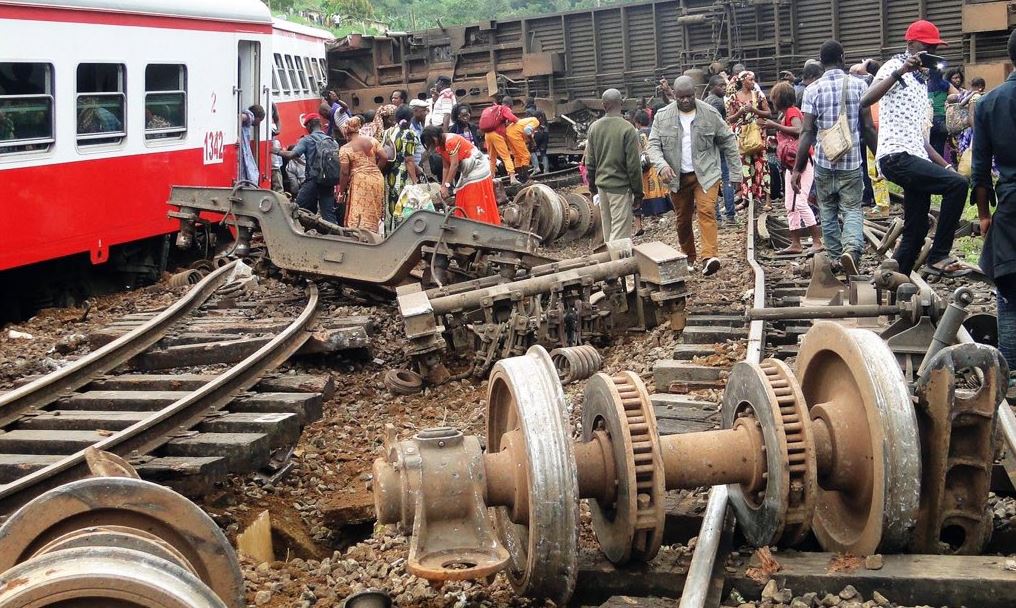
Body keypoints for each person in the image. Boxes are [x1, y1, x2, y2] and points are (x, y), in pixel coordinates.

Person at [861, 20, 971, 277]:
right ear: (911, 45)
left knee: (916, 228)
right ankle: (939, 256)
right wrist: (901, 70)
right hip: (897, 156)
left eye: (934, 48)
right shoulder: (893, 67)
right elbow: (866, 100)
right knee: (957, 186)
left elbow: (921, 138)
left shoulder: (923, 84)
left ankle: (896, 282)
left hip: (914, 154)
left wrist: (945, 165)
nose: (930, 53)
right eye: (927, 47)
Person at [792, 40, 874, 273]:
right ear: (842, 56)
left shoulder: (812, 90)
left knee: (827, 210)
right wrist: (878, 158)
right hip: (851, 161)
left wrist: (798, 169)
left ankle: (837, 257)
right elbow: (868, 127)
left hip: (824, 161)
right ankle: (852, 250)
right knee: (852, 208)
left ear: (821, 61)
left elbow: (807, 131)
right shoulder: (859, 85)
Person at [648, 76, 741, 276]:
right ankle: (688, 256)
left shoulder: (709, 113)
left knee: (707, 211)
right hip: (677, 177)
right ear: (675, 94)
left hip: (705, 174)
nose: (685, 100)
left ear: (695, 94)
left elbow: (728, 142)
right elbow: (653, 145)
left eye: (689, 96)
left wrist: (735, 173)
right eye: (681, 97)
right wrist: (662, 165)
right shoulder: (662, 116)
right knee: (682, 219)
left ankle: (710, 257)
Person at [972, 29, 1016, 373]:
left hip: (1012, 207)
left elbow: (980, 169)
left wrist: (985, 215)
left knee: (1009, 289)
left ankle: (1011, 372)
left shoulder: (989, 103)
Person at [765, 82, 824, 255]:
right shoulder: (784, 115)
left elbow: (799, 130)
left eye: (773, 98)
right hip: (791, 163)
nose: (772, 101)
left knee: (800, 201)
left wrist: (775, 127)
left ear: (779, 99)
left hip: (803, 161)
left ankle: (816, 241)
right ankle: (795, 243)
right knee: (789, 204)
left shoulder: (792, 112)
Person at [586, 89, 644, 244]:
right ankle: (617, 266)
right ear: (621, 103)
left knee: (608, 230)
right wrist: (638, 192)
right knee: (620, 237)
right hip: (620, 188)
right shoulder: (627, 129)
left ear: (604, 106)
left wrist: (592, 187)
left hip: (602, 188)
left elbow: (589, 163)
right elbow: (633, 166)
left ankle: (609, 262)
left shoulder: (594, 128)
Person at [420, 126, 501, 225]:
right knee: (461, 194)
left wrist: (447, 186)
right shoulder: (439, 147)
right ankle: (468, 223)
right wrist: (442, 186)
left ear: (436, 135)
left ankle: (480, 223)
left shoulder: (450, 141)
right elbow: (446, 167)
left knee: (472, 195)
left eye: (430, 141)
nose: (430, 144)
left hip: (477, 167)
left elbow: (454, 165)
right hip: (467, 170)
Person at [278, 116, 339, 225]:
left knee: (296, 208)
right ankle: (336, 238)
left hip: (313, 181)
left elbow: (292, 154)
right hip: (328, 181)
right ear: (320, 125)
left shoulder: (308, 140)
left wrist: (275, 151)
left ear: (309, 126)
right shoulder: (332, 141)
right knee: (328, 214)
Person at [725, 70, 772, 210]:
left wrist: (754, 110)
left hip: (757, 135)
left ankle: (767, 200)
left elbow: (768, 113)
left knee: (763, 166)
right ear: (743, 81)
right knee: (745, 167)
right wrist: (740, 112)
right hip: (743, 137)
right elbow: (729, 119)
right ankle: (747, 199)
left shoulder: (758, 95)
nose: (753, 82)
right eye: (751, 80)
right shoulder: (733, 98)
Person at [337, 117, 387, 232]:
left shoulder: (345, 149)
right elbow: (384, 157)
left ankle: (360, 236)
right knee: (374, 208)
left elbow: (344, 172)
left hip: (360, 181)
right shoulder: (373, 141)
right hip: (377, 179)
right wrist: (374, 169)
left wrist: (341, 193)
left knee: (359, 210)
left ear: (346, 131)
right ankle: (374, 233)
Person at [381, 105, 421, 232]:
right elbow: (408, 160)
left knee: (390, 206)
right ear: (410, 118)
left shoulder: (388, 132)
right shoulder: (409, 134)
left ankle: (389, 234)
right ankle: (402, 234)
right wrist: (415, 182)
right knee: (403, 206)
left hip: (388, 176)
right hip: (402, 176)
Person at [704, 75, 736, 223]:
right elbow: (716, 125)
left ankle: (717, 216)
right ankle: (729, 215)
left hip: (710, 146)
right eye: (720, 85)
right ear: (712, 87)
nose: (724, 87)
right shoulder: (716, 102)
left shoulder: (706, 101)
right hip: (719, 145)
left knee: (712, 180)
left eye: (724, 85)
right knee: (726, 178)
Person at [632, 110, 671, 235]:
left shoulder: (637, 134)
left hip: (644, 167)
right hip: (658, 165)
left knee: (645, 191)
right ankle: (661, 212)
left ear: (637, 123)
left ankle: (641, 223)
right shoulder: (654, 131)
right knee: (662, 189)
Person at [479, 95, 520, 183]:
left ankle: (490, 178)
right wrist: (520, 122)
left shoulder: (493, 109)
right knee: (505, 156)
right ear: (510, 105)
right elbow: (513, 118)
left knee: (492, 158)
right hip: (497, 134)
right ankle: (512, 177)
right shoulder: (504, 109)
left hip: (487, 135)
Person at [955, 77, 987, 171]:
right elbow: (971, 115)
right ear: (981, 86)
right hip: (972, 129)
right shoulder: (975, 96)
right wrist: (976, 131)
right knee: (971, 151)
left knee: (966, 152)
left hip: (967, 128)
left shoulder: (970, 94)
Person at [505, 113, 542, 180]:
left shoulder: (526, 120)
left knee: (517, 156)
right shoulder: (535, 121)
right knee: (526, 155)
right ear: (540, 118)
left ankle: (521, 178)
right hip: (515, 134)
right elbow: (527, 130)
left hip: (507, 132)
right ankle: (526, 178)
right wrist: (532, 141)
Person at [238, 104, 265, 186]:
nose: (258, 124)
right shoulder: (250, 116)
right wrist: (237, 134)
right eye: (260, 120)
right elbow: (239, 117)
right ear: (257, 117)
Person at [269, 126, 285, 193]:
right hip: (274, 167)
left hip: (275, 167)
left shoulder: (276, 142)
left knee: (278, 188)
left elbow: (279, 158)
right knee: (278, 187)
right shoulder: (274, 142)